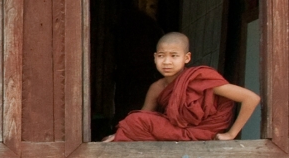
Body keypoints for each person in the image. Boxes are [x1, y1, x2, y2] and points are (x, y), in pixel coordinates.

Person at [103, 32, 260, 142]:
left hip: (204, 133)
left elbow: (251, 98)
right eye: (161, 56)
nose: (167, 62)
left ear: (187, 58)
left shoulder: (200, 79)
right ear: (155, 58)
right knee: (134, 120)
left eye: (174, 56)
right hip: (175, 132)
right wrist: (123, 132)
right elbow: (143, 119)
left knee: (135, 120)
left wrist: (231, 134)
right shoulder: (157, 87)